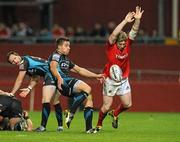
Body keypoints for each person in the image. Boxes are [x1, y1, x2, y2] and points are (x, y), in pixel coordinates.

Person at [96, 6, 144, 131]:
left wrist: (137, 20)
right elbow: (113, 34)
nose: (122, 45)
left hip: (123, 79)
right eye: (120, 43)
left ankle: (115, 114)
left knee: (128, 104)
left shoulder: (127, 44)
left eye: (124, 43)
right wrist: (125, 21)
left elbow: (134, 31)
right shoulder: (110, 46)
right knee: (106, 106)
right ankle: (99, 124)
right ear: (116, 42)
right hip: (110, 79)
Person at [48, 36, 104, 133]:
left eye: (69, 45)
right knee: (87, 88)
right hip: (64, 82)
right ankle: (71, 111)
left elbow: (79, 70)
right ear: (59, 47)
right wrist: (59, 78)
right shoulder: (56, 55)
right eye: (66, 45)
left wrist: (95, 75)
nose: (69, 47)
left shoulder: (66, 59)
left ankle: (89, 128)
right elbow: (53, 68)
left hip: (65, 86)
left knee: (89, 98)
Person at [6, 51, 63, 132]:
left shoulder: (23, 62)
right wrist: (29, 88)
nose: (15, 61)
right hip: (55, 73)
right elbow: (35, 77)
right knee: (55, 101)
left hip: (51, 73)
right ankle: (60, 126)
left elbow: (19, 80)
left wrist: (12, 93)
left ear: (17, 55)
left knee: (45, 100)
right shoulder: (27, 62)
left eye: (14, 58)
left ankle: (43, 127)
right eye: (12, 61)